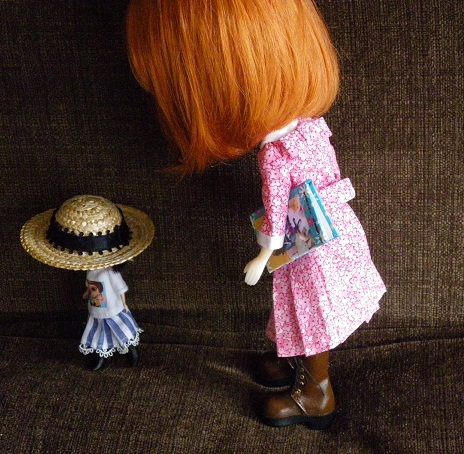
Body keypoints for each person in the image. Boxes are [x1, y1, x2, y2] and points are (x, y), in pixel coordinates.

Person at [126, 0, 386, 428]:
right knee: (307, 305)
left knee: (312, 307)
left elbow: (277, 210)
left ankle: (315, 394)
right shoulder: (311, 123)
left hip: (309, 240)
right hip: (336, 227)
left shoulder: (275, 155)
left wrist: (264, 254)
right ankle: (292, 360)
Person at [20, 195, 155, 371]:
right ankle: (101, 355)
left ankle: (130, 351)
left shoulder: (109, 272)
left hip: (113, 309)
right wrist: (86, 294)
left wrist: (124, 304)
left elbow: (120, 288)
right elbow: (90, 285)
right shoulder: (91, 271)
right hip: (96, 310)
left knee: (121, 330)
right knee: (99, 334)